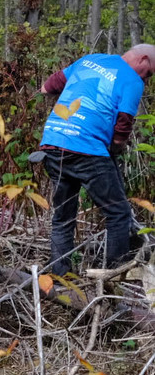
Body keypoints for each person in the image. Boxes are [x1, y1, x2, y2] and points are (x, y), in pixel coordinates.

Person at [37, 44, 155, 275]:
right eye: (149, 73)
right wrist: (114, 150)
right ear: (142, 60)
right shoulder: (132, 79)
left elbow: (46, 88)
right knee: (118, 214)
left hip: (53, 142)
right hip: (87, 149)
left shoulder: (90, 59)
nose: (148, 79)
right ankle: (114, 278)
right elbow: (123, 127)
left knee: (63, 216)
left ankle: (59, 277)